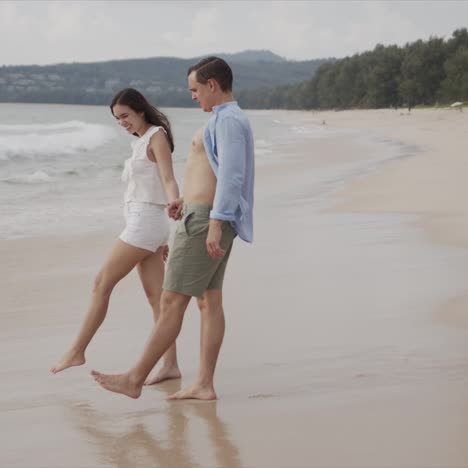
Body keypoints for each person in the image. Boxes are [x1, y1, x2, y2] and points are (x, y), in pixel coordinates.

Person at [91, 56, 255, 401]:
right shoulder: (225, 120)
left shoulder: (227, 121)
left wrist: (214, 223)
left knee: (171, 300)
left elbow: (232, 176)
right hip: (202, 215)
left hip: (206, 220)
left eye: (195, 89)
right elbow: (214, 171)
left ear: (212, 85)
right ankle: (203, 383)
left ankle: (135, 378)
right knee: (209, 302)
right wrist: (184, 202)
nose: (193, 96)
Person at [51, 88, 181, 383]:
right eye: (117, 119)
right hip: (148, 224)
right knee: (157, 299)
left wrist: (175, 201)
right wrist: (164, 234)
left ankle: (77, 350)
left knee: (101, 283)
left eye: (125, 116)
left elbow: (168, 177)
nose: (122, 122)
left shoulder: (156, 136)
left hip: (145, 223)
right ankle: (170, 365)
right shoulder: (140, 141)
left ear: (140, 110)